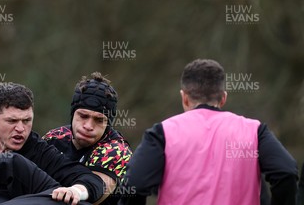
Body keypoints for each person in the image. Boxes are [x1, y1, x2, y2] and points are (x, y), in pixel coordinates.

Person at [119, 59, 298, 205]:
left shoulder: (162, 132)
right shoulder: (255, 131)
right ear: (223, 98)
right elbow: (286, 172)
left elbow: (135, 183)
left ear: (184, 97)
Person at [43, 73, 132, 204]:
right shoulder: (54, 137)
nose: (88, 126)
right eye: (83, 116)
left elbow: (93, 196)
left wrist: (76, 191)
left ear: (108, 124)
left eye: (99, 120)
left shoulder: (117, 151)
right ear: (73, 114)